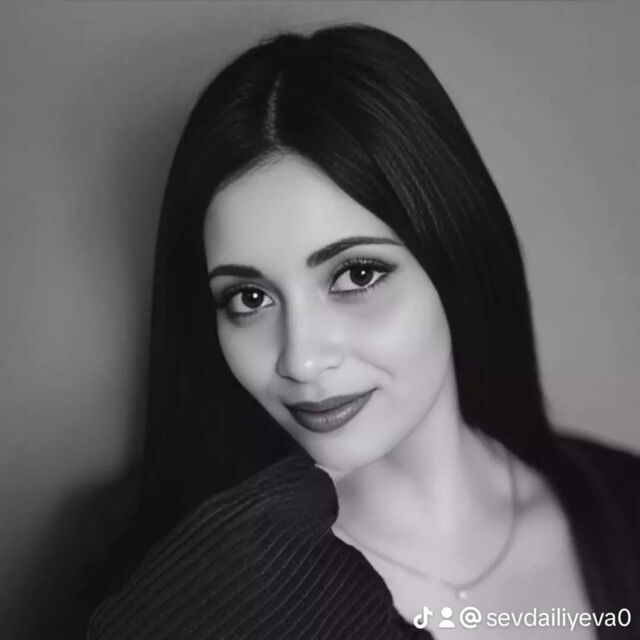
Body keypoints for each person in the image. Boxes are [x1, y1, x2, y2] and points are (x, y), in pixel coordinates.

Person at [86, 24, 640, 640]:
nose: (301, 359)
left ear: (455, 258)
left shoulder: (626, 509)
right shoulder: (204, 594)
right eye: (249, 298)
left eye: (356, 274)